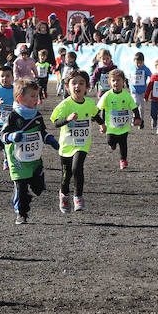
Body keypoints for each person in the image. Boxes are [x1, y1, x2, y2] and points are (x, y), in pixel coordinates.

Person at [0, 79, 59, 225]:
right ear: (20, 98)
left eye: (37, 96)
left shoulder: (37, 115)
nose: (36, 99)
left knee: (38, 188)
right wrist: (12, 136)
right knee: (21, 187)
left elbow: (41, 132)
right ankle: (21, 214)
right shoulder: (13, 116)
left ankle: (32, 189)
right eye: (32, 96)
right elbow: (1, 136)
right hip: (17, 159)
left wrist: (49, 139)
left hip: (33, 159)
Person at [50, 70, 104, 213]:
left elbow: (95, 114)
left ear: (86, 87)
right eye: (74, 83)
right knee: (66, 174)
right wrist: (67, 119)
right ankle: (63, 194)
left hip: (82, 143)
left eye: (81, 83)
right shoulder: (65, 105)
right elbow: (55, 122)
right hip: (67, 145)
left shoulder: (89, 103)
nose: (77, 86)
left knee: (77, 168)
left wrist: (102, 124)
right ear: (67, 86)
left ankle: (78, 197)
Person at [98, 69, 142, 169]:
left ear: (123, 82)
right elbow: (100, 108)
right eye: (113, 80)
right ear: (109, 82)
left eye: (118, 80)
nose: (116, 83)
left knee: (123, 143)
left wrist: (137, 117)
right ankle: (113, 145)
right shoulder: (107, 95)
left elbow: (134, 107)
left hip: (124, 126)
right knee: (110, 141)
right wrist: (101, 123)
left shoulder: (126, 95)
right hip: (111, 127)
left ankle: (123, 160)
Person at [0, 66, 15, 170]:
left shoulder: (15, 90)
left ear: (13, 77)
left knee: (10, 140)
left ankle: (8, 158)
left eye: (7, 76)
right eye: (2, 76)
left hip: (12, 121)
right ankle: (5, 153)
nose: (5, 78)